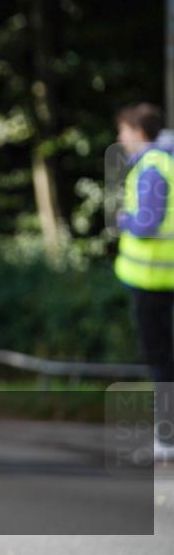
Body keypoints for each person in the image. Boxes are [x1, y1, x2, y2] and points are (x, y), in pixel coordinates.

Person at [114, 102, 174, 459]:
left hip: (153, 279)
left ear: (139, 132)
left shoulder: (152, 167)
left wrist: (125, 220)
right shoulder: (168, 159)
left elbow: (147, 224)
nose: (119, 139)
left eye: (122, 131)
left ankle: (167, 440)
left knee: (161, 361)